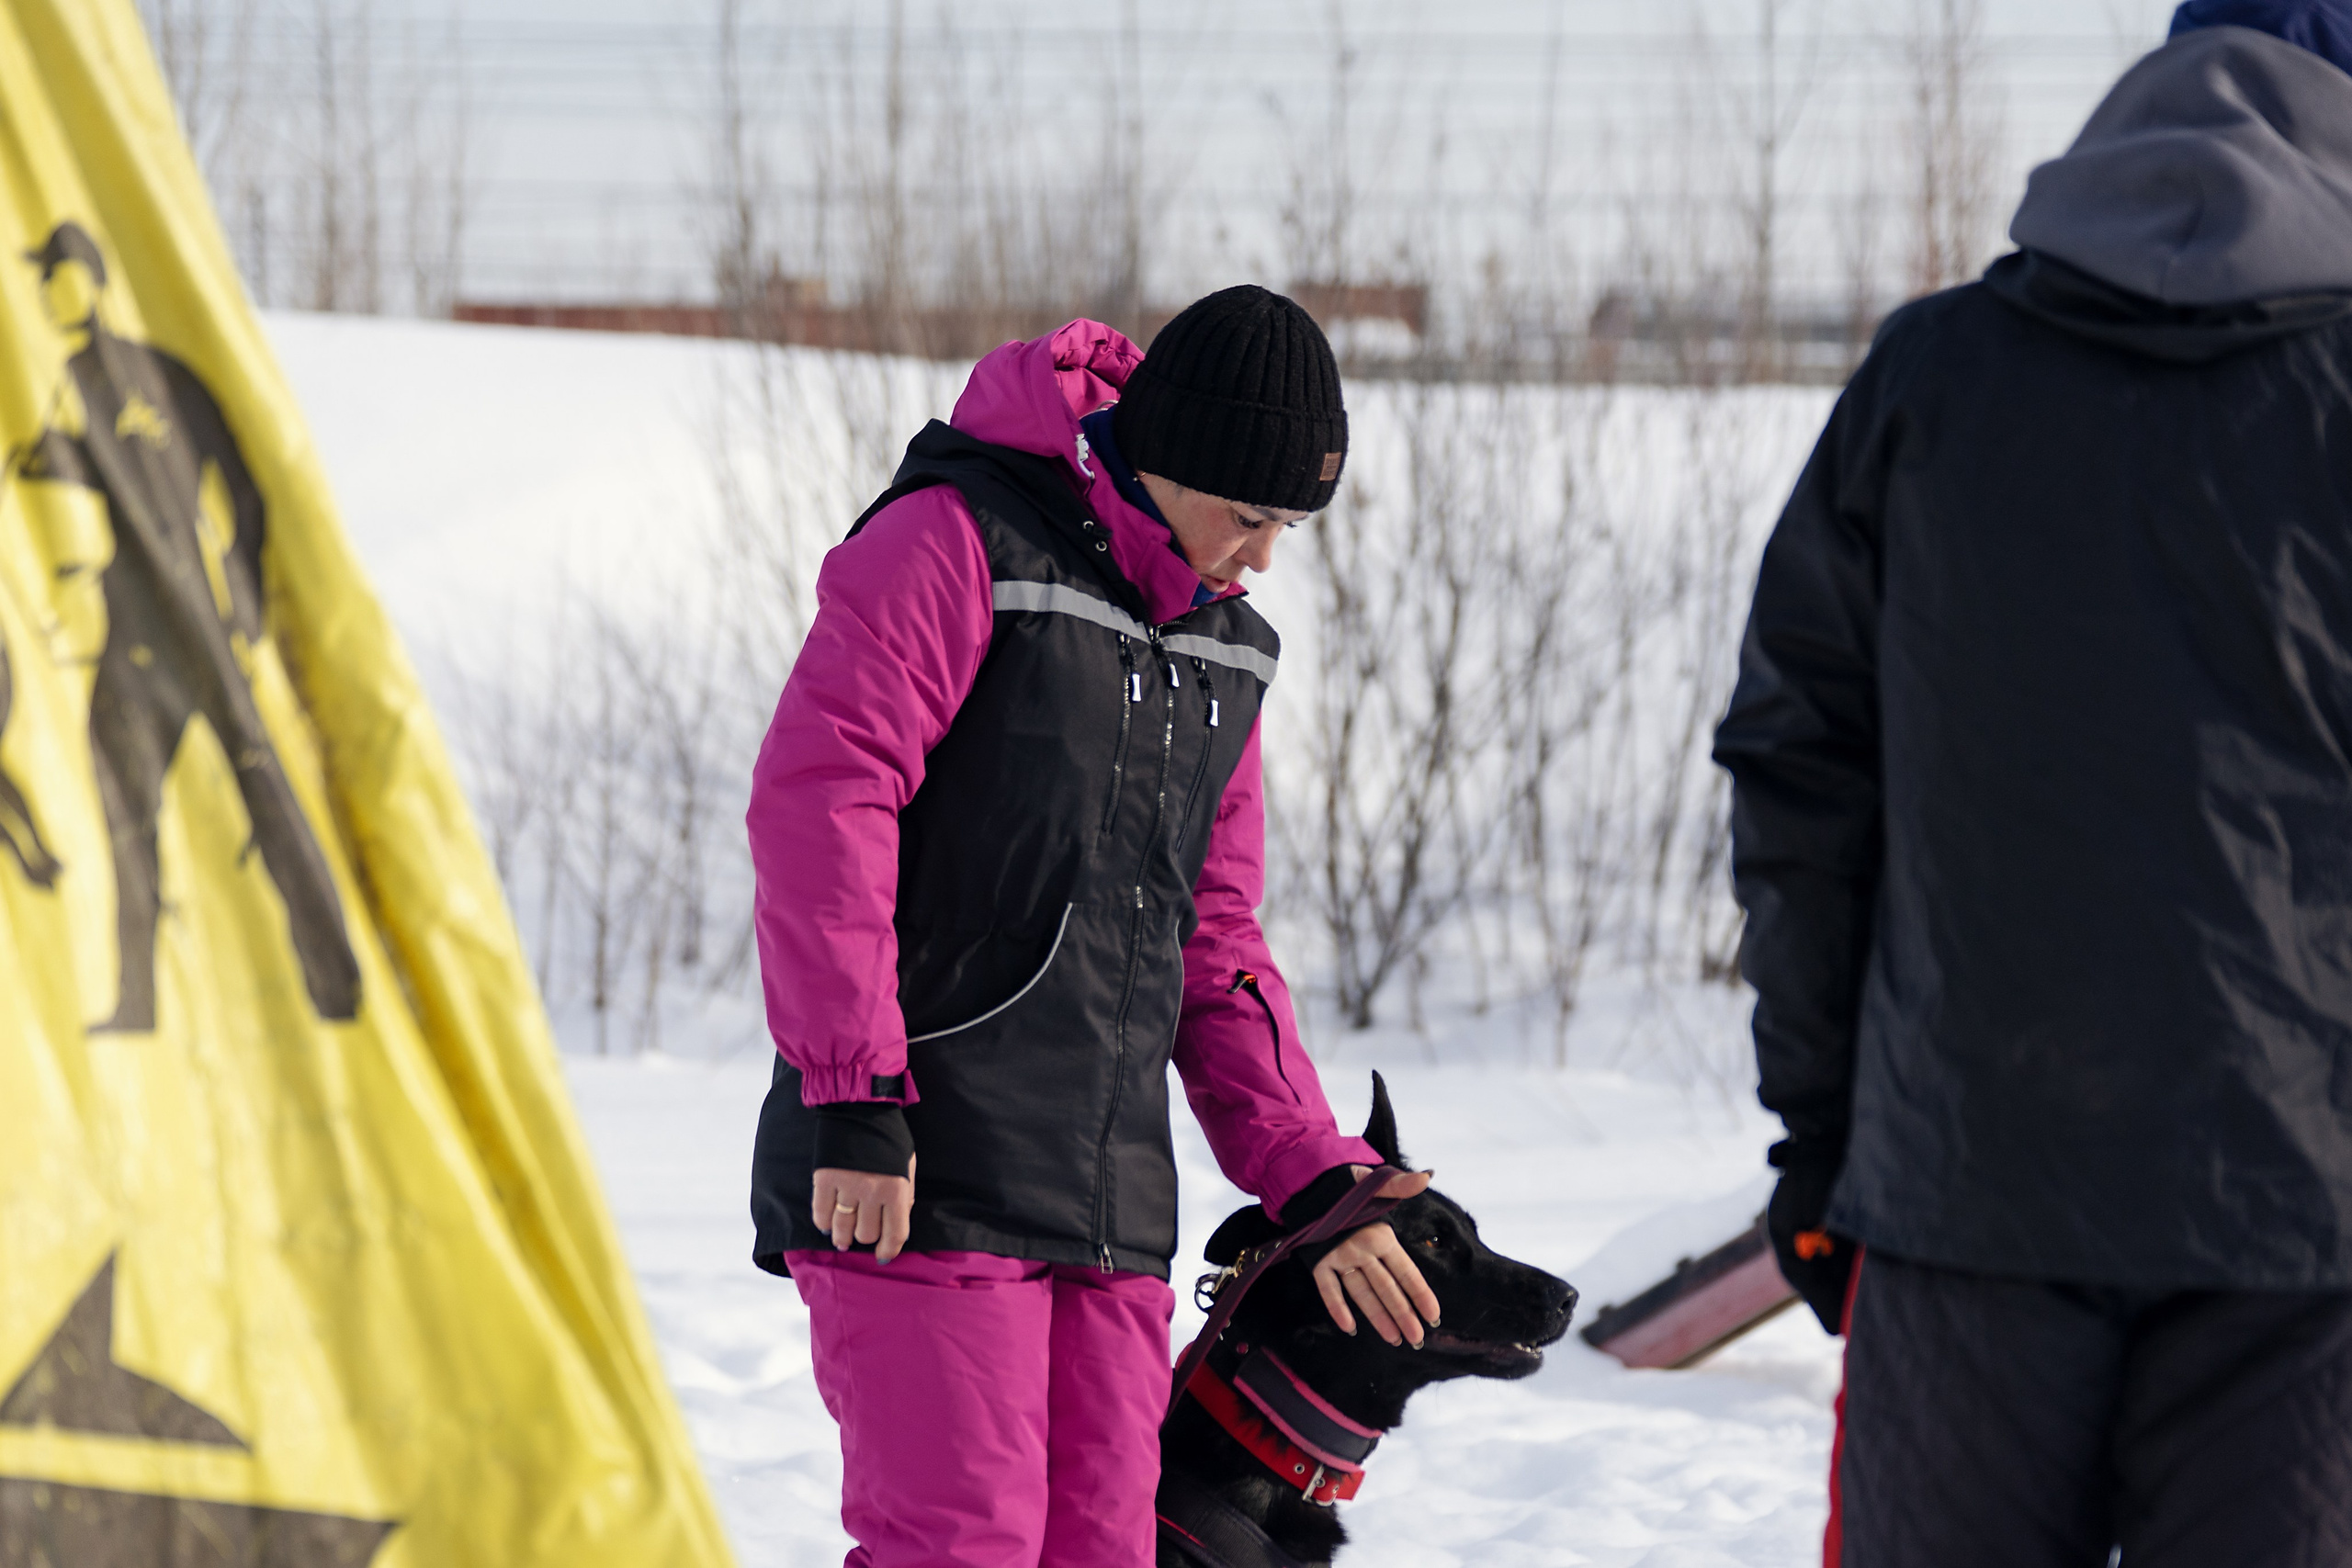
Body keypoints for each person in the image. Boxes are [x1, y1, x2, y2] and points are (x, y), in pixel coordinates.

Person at [1716, 3, 2352, 1562]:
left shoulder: (1934, 377)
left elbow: (1802, 774)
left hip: (1965, 1203)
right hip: (2305, 1227)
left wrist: (1825, 1136)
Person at [745, 287, 1441, 1568]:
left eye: (1294, 524)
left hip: (1111, 1200)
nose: (1269, 554)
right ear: (1176, 462)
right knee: (962, 1544)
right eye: (1255, 514)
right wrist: (851, 1092)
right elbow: (822, 804)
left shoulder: (1227, 651)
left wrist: (1313, 1168)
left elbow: (1214, 938)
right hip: (917, 1167)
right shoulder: (957, 544)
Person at [13, 221, 359, 1031]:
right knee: (126, 816)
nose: (51, 295)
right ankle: (139, 999)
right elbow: (84, 496)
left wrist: (245, 604)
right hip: (131, 645)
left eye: (62, 277)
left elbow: (242, 489)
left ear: (94, 284)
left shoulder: (165, 379)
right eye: (45, 281)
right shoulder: (66, 381)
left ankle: (336, 989)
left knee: (268, 803)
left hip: (202, 635)